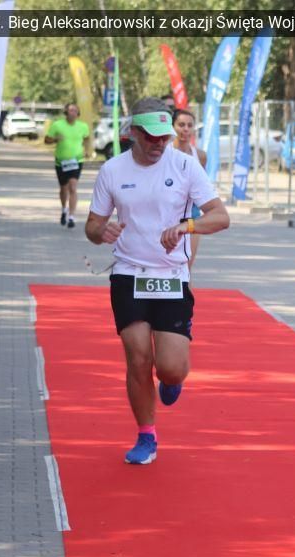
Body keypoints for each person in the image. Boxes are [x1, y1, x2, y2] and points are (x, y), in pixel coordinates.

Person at [84, 98, 230, 465]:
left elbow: (220, 216)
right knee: (137, 357)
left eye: (164, 137)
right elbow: (92, 226)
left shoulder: (185, 165)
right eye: (150, 137)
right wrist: (102, 231)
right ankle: (146, 435)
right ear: (133, 132)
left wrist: (187, 226)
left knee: (170, 367)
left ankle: (172, 378)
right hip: (129, 274)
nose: (158, 144)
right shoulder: (112, 170)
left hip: (171, 277)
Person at [171, 108, 207, 270]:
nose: (185, 129)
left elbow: (203, 187)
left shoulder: (200, 156)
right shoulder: (164, 153)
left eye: (189, 125)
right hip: (167, 215)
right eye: (181, 125)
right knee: (167, 266)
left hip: (192, 216)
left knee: (186, 267)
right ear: (173, 127)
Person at [45, 103, 90, 229]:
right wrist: (55, 139)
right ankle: (64, 209)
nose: (73, 113)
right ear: (66, 112)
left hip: (77, 161)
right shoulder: (57, 125)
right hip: (61, 162)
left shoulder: (83, 126)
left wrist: (87, 150)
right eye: (70, 110)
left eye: (75, 110)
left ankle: (71, 217)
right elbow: (46, 140)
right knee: (63, 188)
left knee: (73, 187)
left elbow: (86, 138)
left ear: (78, 113)